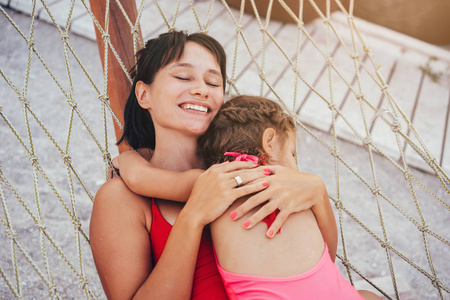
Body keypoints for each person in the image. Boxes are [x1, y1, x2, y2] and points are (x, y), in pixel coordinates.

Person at [90, 30, 334, 299]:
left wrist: (317, 192)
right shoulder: (121, 199)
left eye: (213, 82)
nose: (201, 89)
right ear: (144, 94)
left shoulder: (249, 171)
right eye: (183, 76)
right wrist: (193, 216)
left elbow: (320, 272)